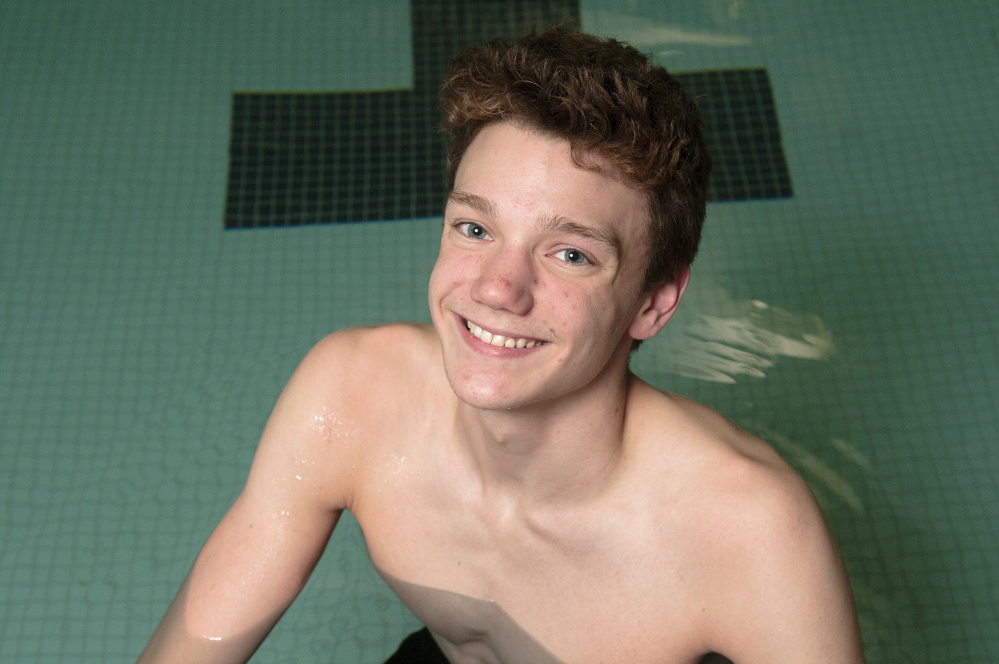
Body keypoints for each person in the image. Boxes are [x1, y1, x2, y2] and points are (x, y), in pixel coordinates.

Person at [137, 27, 866, 664]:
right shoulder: (352, 397)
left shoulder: (748, 531)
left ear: (652, 303)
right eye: (475, 228)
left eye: (570, 254)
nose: (496, 288)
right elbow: (194, 645)